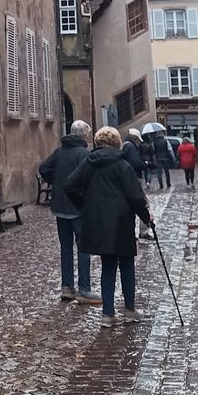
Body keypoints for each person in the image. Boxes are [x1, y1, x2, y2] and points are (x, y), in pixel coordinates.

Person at [64, 126, 154, 328]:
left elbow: (69, 185)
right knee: (127, 266)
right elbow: (135, 197)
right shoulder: (123, 165)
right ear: (116, 143)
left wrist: (84, 205)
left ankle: (108, 314)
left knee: (108, 267)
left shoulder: (89, 162)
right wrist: (146, 217)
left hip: (100, 222)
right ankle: (130, 310)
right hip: (122, 221)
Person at [39, 120, 102, 305]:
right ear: (83, 135)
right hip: (78, 207)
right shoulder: (83, 153)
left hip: (60, 207)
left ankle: (67, 287)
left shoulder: (60, 152)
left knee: (65, 248)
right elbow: (89, 179)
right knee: (83, 248)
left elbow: (44, 168)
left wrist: (55, 183)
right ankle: (84, 289)